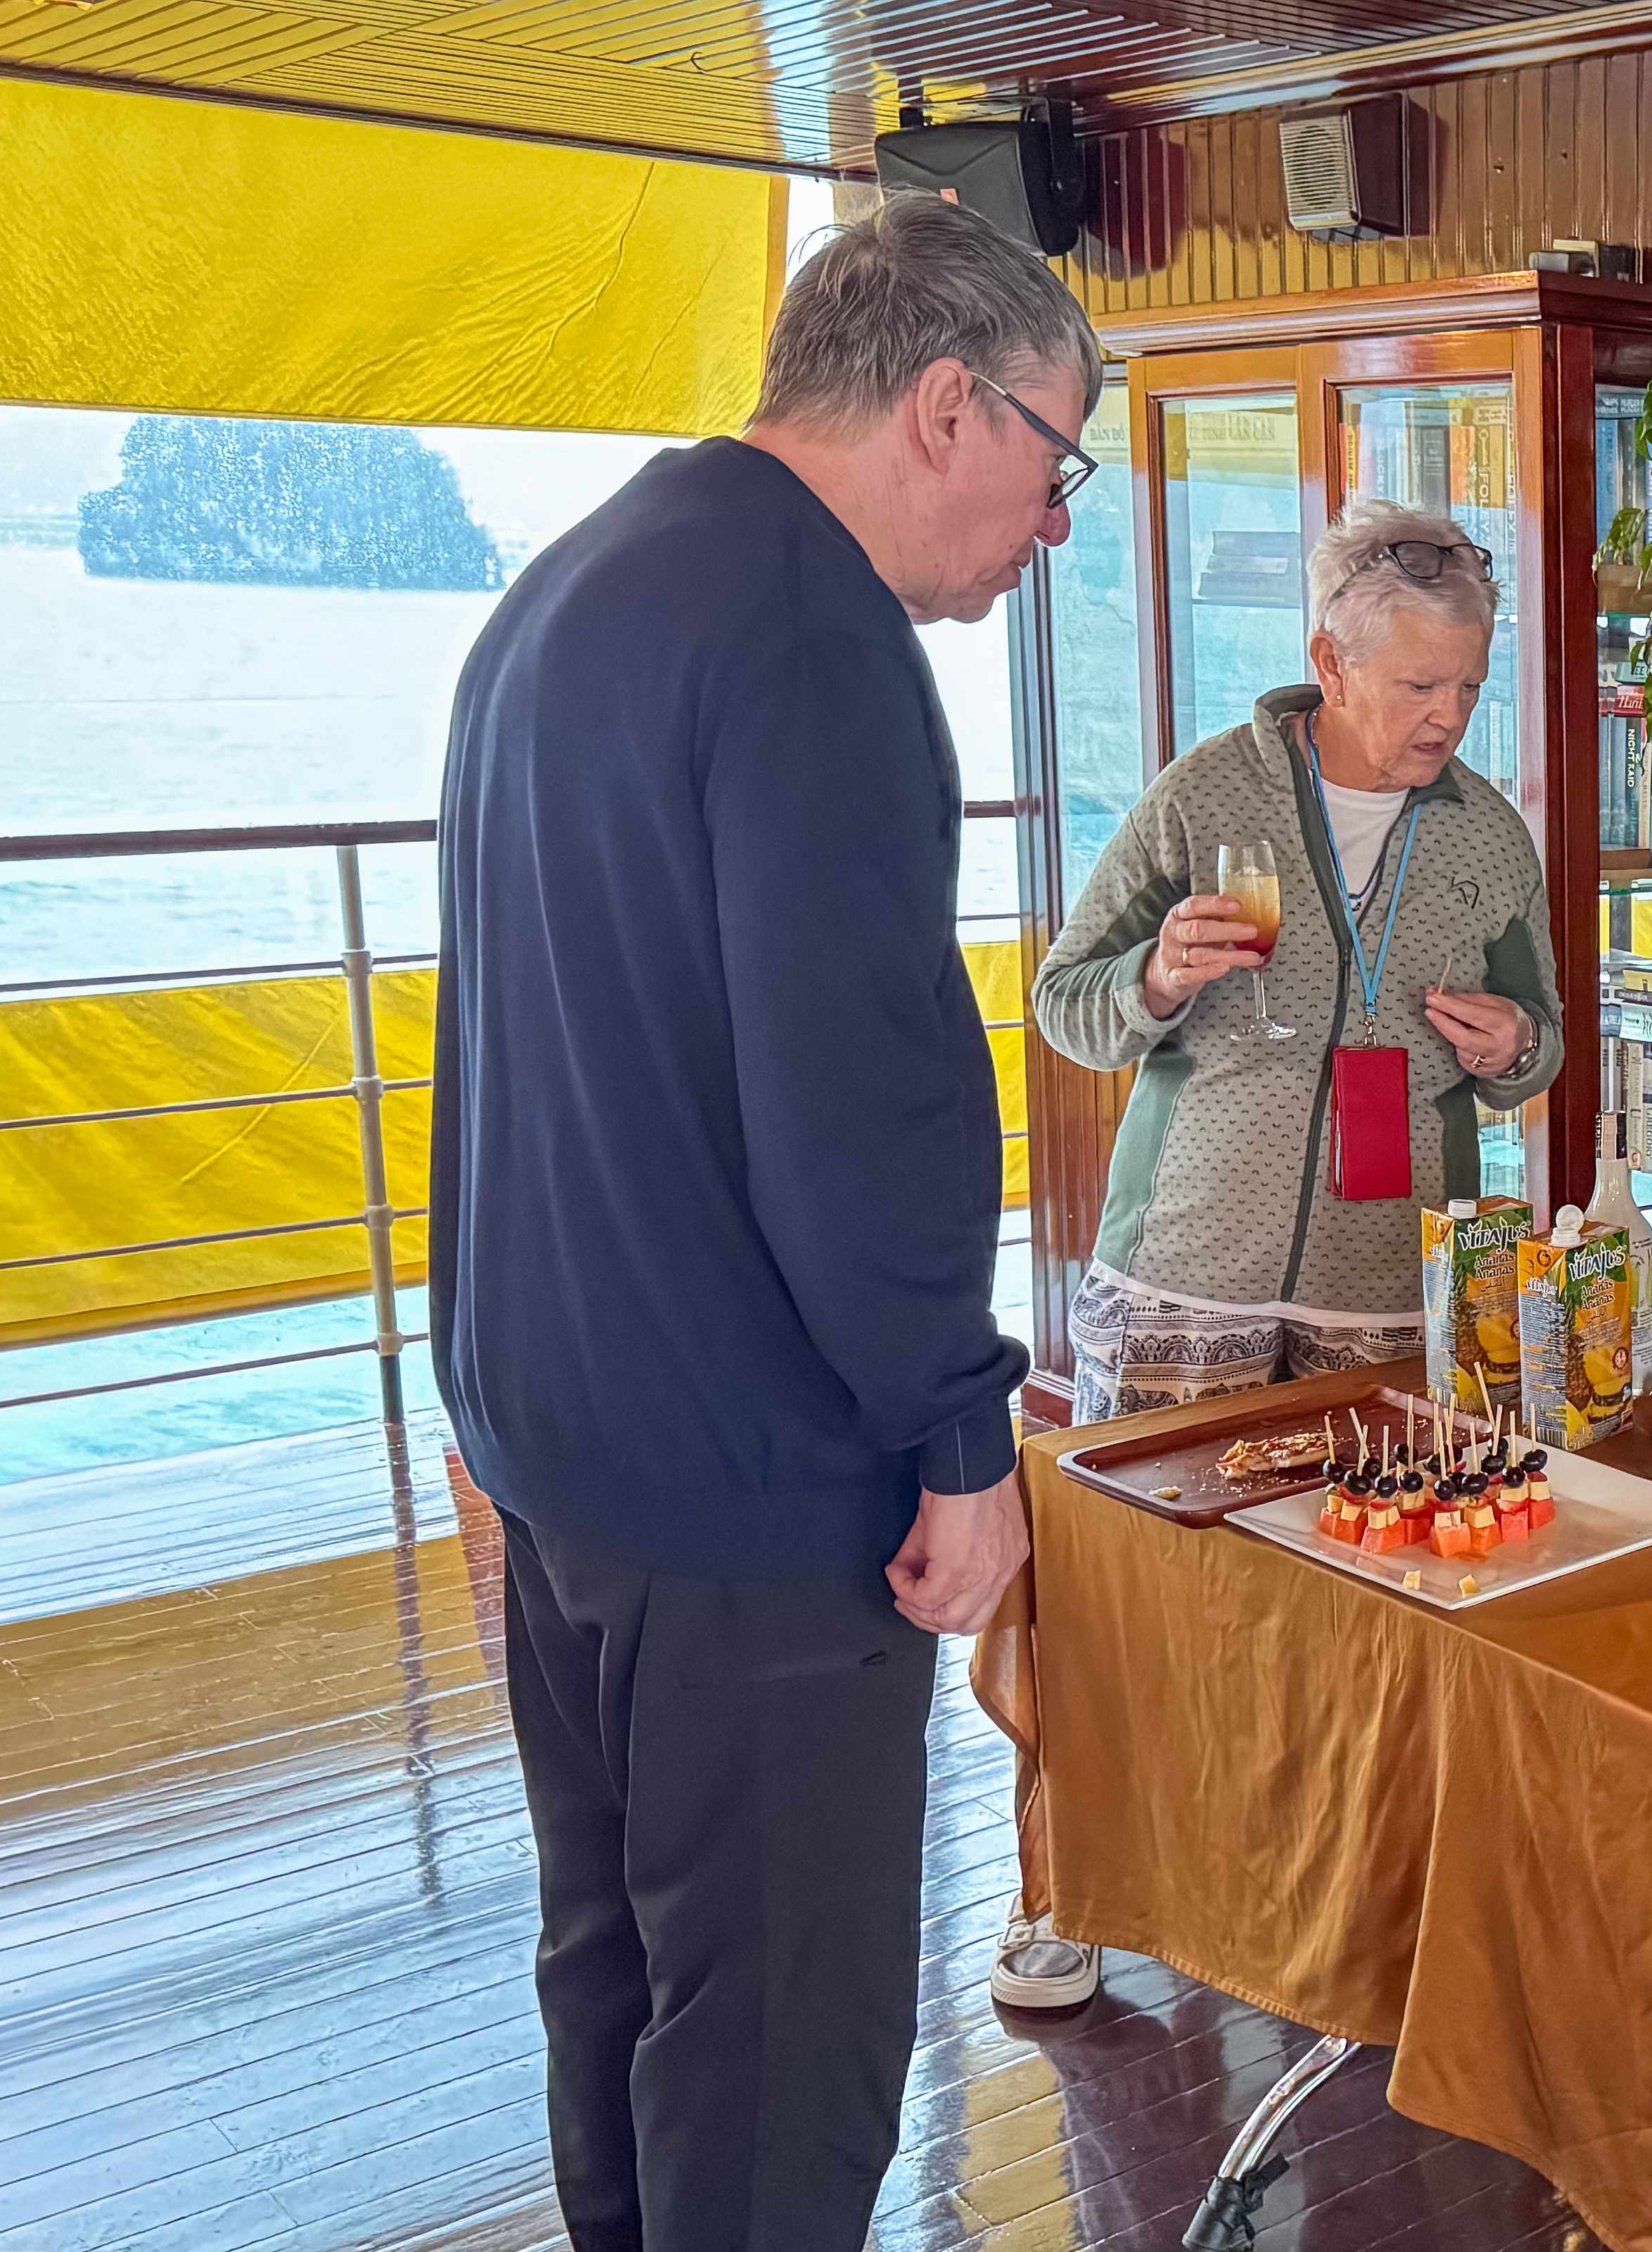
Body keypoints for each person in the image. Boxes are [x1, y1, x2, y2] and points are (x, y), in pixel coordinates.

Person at [431, 192, 1083, 2252]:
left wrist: (478, 1392)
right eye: (1056, 460)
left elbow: (499, 1038)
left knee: (623, 1974)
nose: (1054, 522)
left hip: (562, 1448)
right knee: (784, 2048)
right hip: (750, 1484)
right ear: (947, 406)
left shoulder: (569, 587)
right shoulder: (816, 640)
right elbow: (862, 1094)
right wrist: (962, 1430)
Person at [1009, 494, 1562, 2000]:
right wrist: (1154, 980)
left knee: (1353, 1614)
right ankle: (1070, 1887)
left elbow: (1543, 1036)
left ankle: (1318, 1906)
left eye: (1469, 684)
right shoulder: (1209, 795)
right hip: (1184, 1269)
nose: (1448, 715)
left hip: (1387, 1289)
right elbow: (1066, 997)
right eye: (1417, 683)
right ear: (1329, 660)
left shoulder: (1487, 837)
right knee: (1130, 1597)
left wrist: (1512, 1049)